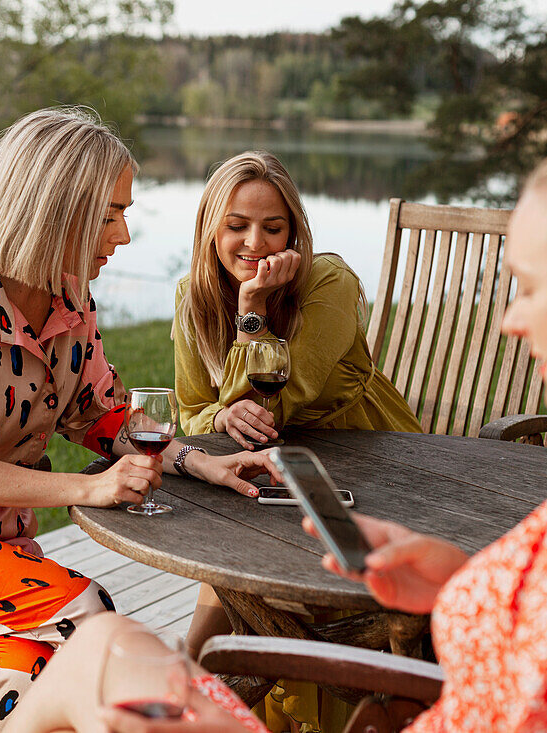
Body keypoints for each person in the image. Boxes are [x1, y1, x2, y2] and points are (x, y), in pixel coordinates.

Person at [3, 120, 547, 732]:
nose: (514, 319)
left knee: (98, 661)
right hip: (300, 494)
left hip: (370, 460)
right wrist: (458, 583)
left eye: (534, 284)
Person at [0, 108, 280, 733]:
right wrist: (90, 487)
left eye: (125, 213)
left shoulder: (71, 299)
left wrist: (202, 462)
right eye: (108, 216)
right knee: (89, 615)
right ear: (52, 212)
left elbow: (105, 415)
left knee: (32, 670)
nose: (122, 236)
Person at [173, 151, 422, 730]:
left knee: (252, 558)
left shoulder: (328, 281)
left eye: (273, 226)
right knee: (234, 547)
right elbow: (192, 413)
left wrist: (252, 310)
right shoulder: (192, 295)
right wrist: (224, 416)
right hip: (271, 470)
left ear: (296, 230)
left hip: (375, 463)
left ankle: (194, 679)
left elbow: (277, 401)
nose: (254, 243)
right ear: (211, 229)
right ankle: (196, 682)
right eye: (236, 226)